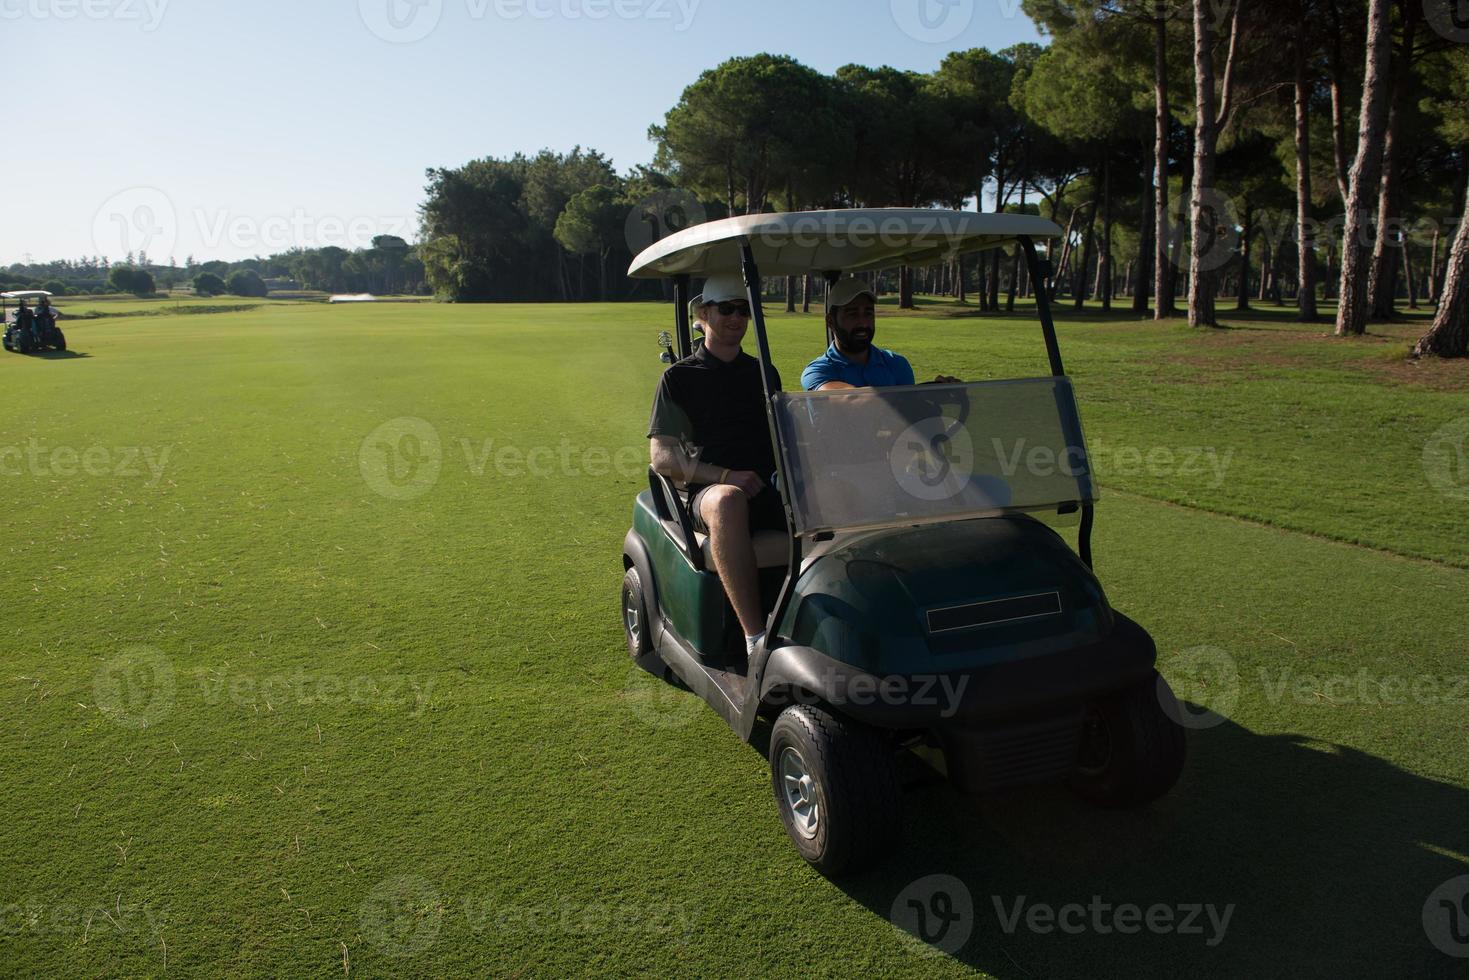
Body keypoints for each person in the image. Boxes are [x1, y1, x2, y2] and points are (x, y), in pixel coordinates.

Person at [648, 273, 784, 657]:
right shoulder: (678, 378)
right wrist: (726, 476)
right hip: (707, 493)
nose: (736, 318)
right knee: (729, 500)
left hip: (766, 487)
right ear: (704, 314)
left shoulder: (763, 372)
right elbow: (663, 458)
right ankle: (755, 639)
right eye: (726, 309)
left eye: (743, 310)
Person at [801, 277, 960, 390]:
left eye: (868, 313)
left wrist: (938, 392)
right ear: (830, 322)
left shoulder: (896, 364)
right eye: (852, 314)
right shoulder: (818, 371)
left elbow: (910, 415)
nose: (863, 323)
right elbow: (849, 398)